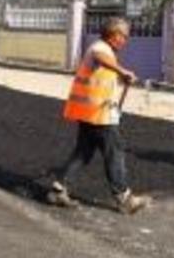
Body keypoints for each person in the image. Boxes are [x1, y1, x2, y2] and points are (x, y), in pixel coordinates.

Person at [48, 17, 150, 214]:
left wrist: (121, 79)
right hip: (99, 114)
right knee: (115, 151)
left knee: (83, 152)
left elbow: (103, 77)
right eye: (124, 36)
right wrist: (122, 71)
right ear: (114, 35)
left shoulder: (106, 51)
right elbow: (101, 57)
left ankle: (59, 189)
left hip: (90, 112)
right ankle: (124, 198)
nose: (125, 41)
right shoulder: (100, 48)